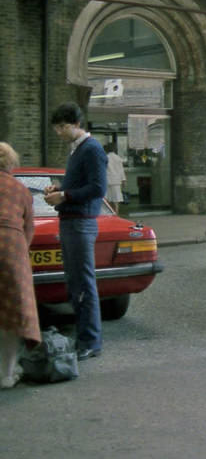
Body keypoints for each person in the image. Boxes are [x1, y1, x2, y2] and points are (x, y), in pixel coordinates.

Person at [43, 102, 107, 360]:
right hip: (72, 220)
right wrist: (59, 188)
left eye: (62, 127)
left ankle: (91, 341)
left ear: (76, 124)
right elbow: (81, 184)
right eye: (56, 127)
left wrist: (65, 195)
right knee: (75, 282)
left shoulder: (91, 149)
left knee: (83, 283)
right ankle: (84, 337)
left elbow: (97, 189)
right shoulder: (77, 150)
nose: (59, 132)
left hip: (81, 222)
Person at [0, 142, 41, 389]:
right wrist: (19, 255)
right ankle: (6, 374)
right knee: (14, 314)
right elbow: (29, 229)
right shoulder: (20, 189)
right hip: (11, 249)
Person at [105, 143, 126, 215]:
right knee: (116, 199)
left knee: (108, 198)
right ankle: (116, 213)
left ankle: (110, 213)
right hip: (116, 181)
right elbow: (121, 170)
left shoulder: (105, 157)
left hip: (107, 180)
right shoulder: (118, 158)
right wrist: (123, 180)